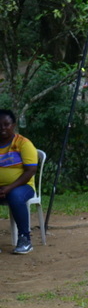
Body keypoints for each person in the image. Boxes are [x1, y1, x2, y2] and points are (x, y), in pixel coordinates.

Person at [0, 109, 38, 255]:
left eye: (6, 124)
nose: (2, 128)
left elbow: (30, 171)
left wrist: (8, 188)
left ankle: (25, 239)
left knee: (15, 196)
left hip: (23, 186)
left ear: (13, 125)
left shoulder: (23, 143)